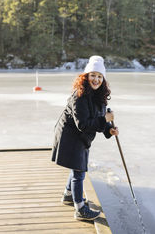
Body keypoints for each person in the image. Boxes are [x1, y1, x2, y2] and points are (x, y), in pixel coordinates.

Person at [51, 55, 119, 221]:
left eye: (99, 76)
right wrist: (105, 120)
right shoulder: (79, 96)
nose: (96, 79)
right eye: (93, 75)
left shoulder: (100, 96)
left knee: (77, 166)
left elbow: (99, 117)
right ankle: (80, 209)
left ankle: (68, 195)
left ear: (103, 79)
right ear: (86, 76)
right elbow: (83, 124)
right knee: (79, 171)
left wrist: (109, 130)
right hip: (70, 135)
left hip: (81, 136)